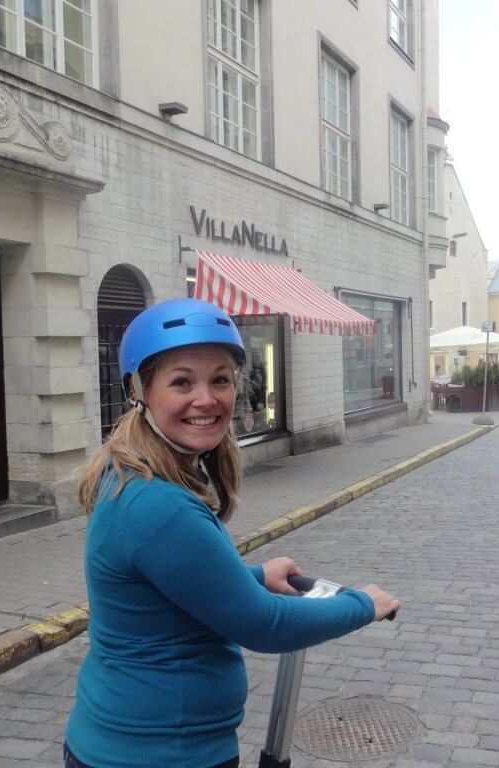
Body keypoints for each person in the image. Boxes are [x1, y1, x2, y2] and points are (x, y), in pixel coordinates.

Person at [65, 298, 399, 768]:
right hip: (160, 755)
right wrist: (362, 605)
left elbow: (172, 579)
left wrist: (257, 573)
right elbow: (262, 624)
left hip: (130, 743)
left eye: (220, 379)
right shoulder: (158, 506)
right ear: (139, 389)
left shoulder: (132, 473)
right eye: (182, 381)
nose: (206, 399)